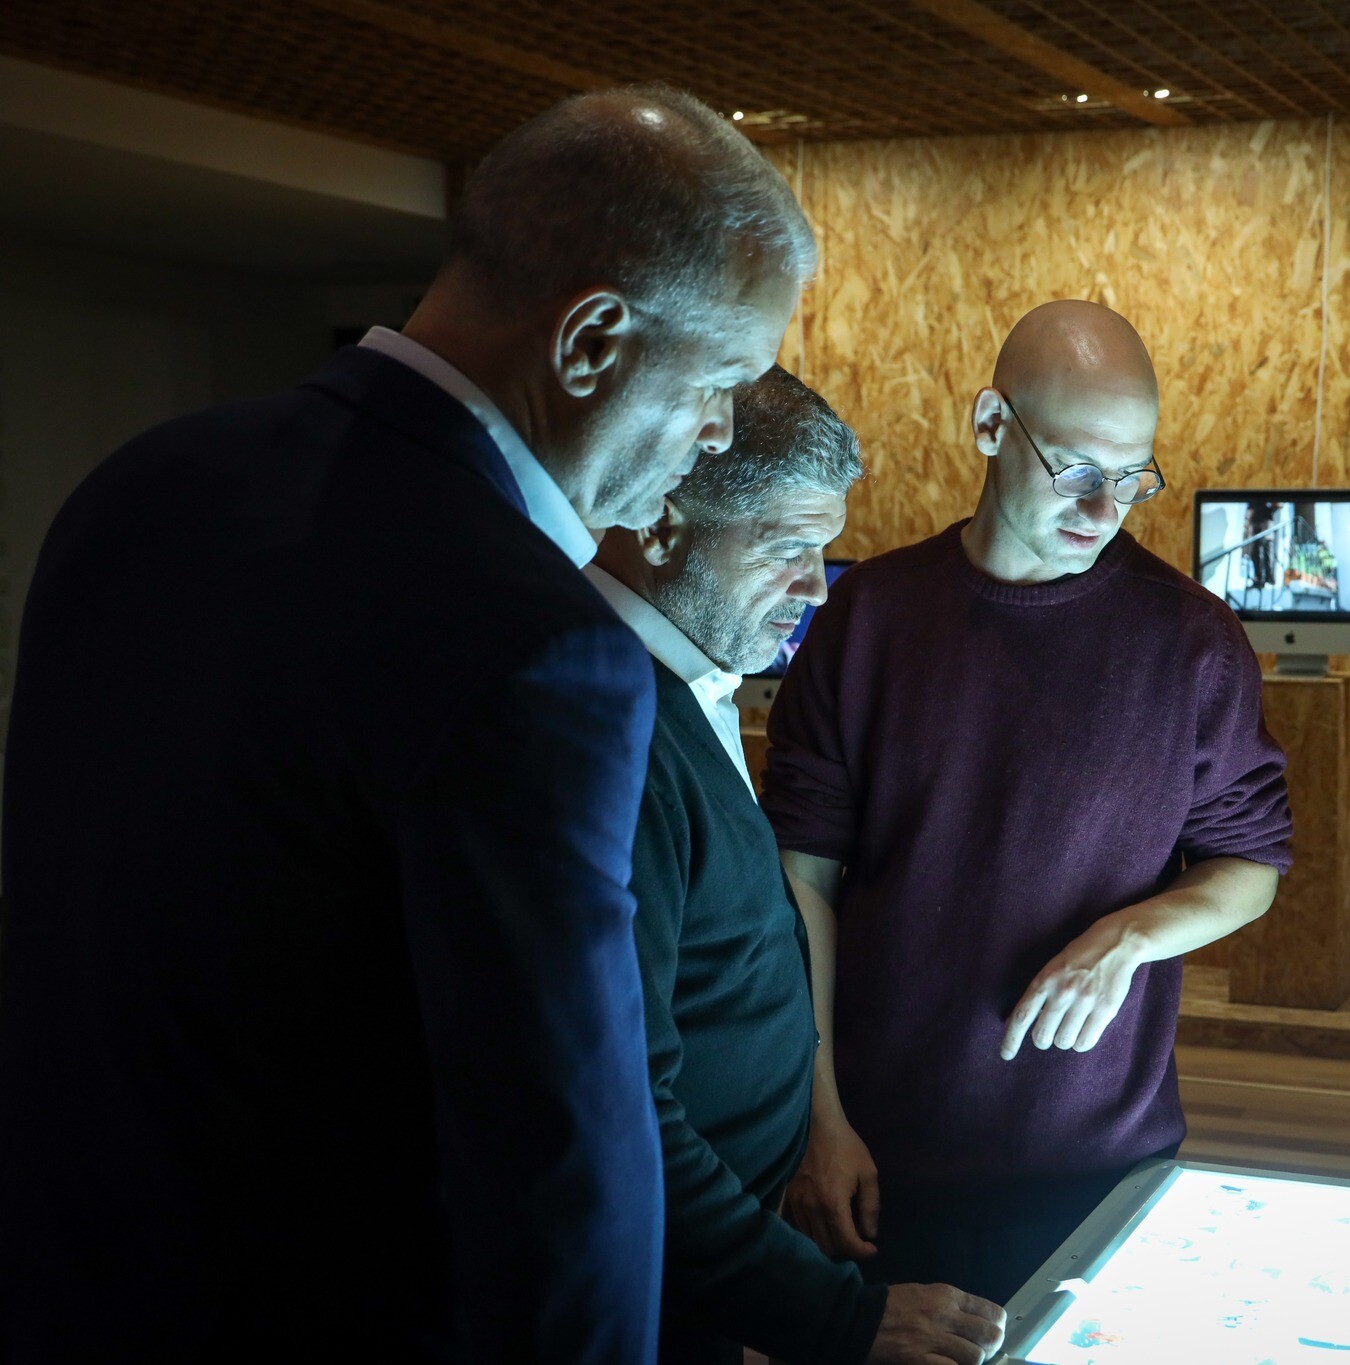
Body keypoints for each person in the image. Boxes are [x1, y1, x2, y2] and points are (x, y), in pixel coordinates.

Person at [0, 84, 810, 1363]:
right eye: (719, 384)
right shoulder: (538, 645)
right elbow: (559, 1164)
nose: (714, 437)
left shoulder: (139, 486)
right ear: (591, 340)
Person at [765, 300, 1295, 1305]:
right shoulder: (867, 617)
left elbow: (1249, 866)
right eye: (1077, 469)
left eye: (1132, 477)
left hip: (1099, 1156)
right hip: (878, 1145)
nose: (1104, 509)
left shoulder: (1191, 642)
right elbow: (800, 880)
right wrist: (817, 1117)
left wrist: (1129, 937)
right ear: (989, 426)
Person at [586, 367, 1005, 1365]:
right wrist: (832, 1316)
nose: (816, 589)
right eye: (787, 549)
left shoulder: (690, 676)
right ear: (661, 522)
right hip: (646, 1279)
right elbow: (620, 1107)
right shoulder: (607, 729)